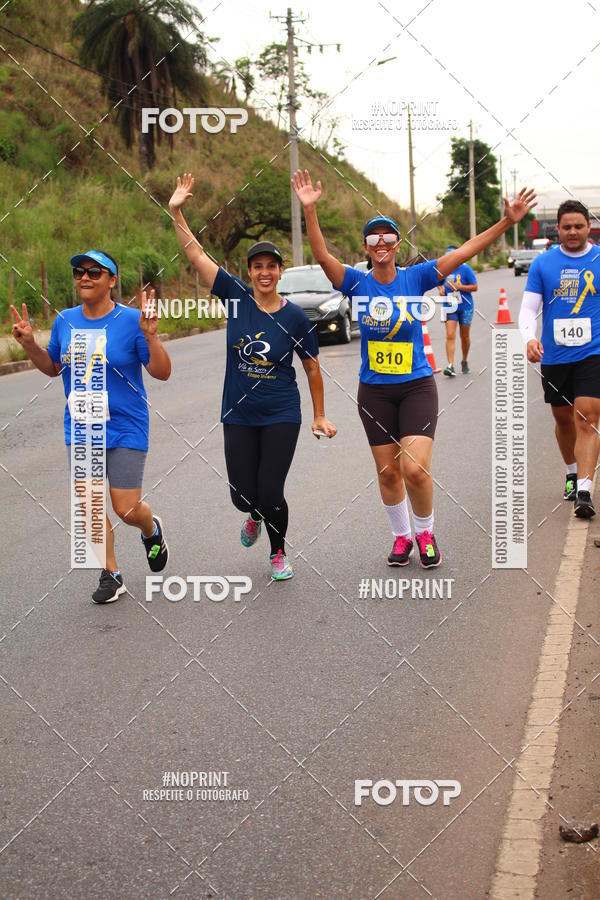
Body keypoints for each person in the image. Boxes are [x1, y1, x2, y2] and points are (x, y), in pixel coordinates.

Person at [292, 168, 536, 568]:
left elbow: (465, 251)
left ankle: (425, 532)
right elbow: (321, 256)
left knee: (415, 469)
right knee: (388, 474)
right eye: (374, 239)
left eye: (389, 237)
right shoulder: (356, 283)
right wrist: (310, 211)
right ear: (367, 247)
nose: (382, 243)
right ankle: (402, 537)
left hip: (417, 386)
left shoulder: (417, 276)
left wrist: (506, 222)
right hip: (374, 391)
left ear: (397, 243)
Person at [168, 173, 337, 581]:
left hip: (282, 413)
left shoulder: (295, 316)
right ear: (249, 271)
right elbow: (196, 255)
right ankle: (253, 516)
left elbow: (312, 366)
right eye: (257, 267)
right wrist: (176, 212)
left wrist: (318, 415)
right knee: (242, 496)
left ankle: (278, 553)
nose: (264, 273)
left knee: (270, 490)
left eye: (271, 267)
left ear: (280, 272)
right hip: (238, 414)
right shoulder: (236, 298)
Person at [10, 250, 171, 603]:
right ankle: (111, 574)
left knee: (126, 508)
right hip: (81, 426)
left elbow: (161, 372)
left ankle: (151, 528)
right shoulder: (65, 320)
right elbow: (53, 367)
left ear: (112, 280)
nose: (85, 277)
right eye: (79, 271)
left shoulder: (133, 320)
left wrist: (153, 337)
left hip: (126, 425)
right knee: (90, 505)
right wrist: (30, 346)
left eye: (95, 272)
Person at [519, 199, 600, 517]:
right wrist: (529, 339)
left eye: (578, 226)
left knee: (588, 416)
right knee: (564, 419)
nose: (572, 232)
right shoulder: (543, 264)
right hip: (555, 354)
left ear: (589, 227)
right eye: (566, 227)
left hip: (594, 350)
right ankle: (571, 471)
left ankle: (584, 489)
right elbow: (528, 308)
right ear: (558, 229)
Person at [437, 245, 478, 376]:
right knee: (450, 335)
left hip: (465, 306)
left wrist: (459, 286)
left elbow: (475, 287)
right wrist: (440, 289)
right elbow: (435, 281)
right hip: (449, 306)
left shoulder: (466, 269)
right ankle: (450, 365)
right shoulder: (442, 270)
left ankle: (464, 361)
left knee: (464, 337)